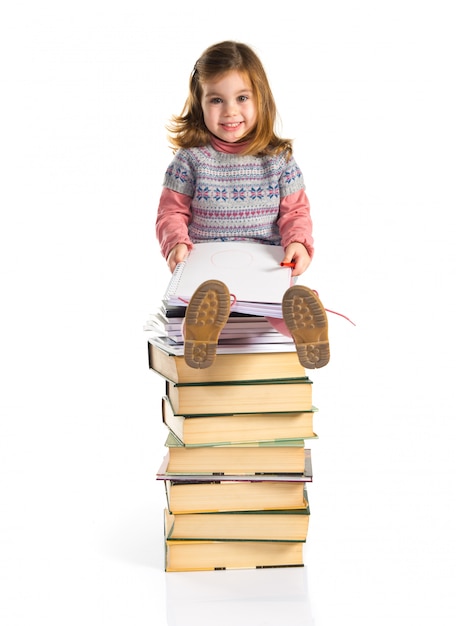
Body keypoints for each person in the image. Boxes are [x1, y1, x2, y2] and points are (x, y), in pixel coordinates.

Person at [155, 40, 329, 370]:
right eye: (216, 100)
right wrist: (176, 243)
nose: (230, 111)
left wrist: (297, 243)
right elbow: (171, 211)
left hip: (263, 267)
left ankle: (307, 326)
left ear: (260, 99)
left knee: (279, 305)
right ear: (200, 104)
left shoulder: (279, 161)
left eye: (242, 98)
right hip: (206, 270)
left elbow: (295, 212)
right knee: (200, 300)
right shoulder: (190, 161)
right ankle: (201, 332)